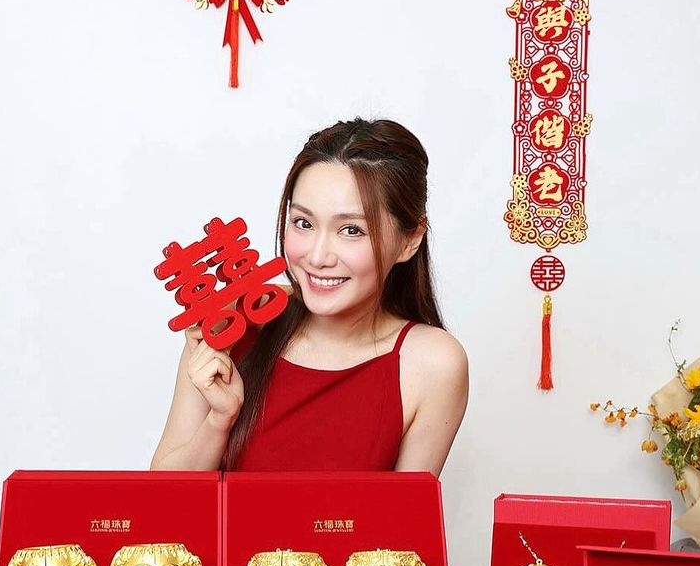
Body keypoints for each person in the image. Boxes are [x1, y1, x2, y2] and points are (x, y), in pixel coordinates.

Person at [152, 118, 468, 473]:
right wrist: (218, 421)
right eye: (303, 223)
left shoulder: (432, 364)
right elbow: (160, 499)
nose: (317, 257)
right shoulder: (231, 322)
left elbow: (404, 510)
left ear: (410, 239)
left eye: (351, 230)